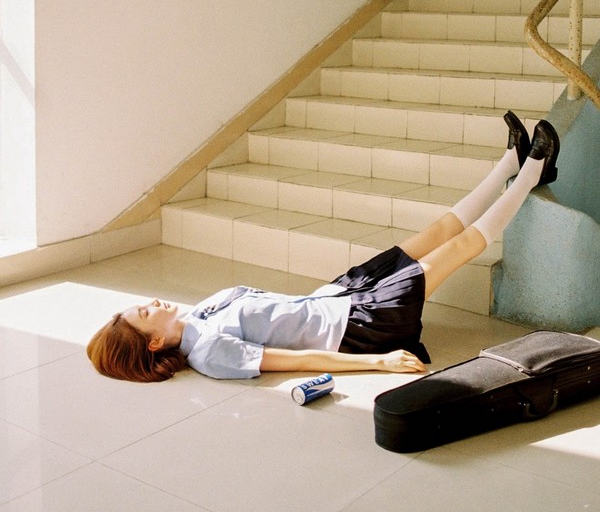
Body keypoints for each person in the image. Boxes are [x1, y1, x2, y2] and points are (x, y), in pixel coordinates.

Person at [87, 111, 559, 384]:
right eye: (145, 313)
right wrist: (377, 361)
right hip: (359, 327)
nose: (153, 302)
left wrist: (334, 294)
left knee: (436, 231)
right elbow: (298, 361)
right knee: (455, 249)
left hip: (337, 298)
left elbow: (278, 312)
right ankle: (534, 171)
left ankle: (509, 163)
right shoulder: (210, 353)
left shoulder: (198, 317)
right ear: (153, 341)